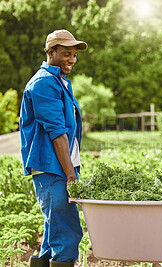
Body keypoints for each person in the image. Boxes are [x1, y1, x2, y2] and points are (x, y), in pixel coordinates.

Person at [20, 29, 87, 267]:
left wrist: (73, 169)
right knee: (67, 232)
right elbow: (57, 133)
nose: (72, 59)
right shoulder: (44, 84)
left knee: (54, 231)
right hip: (53, 168)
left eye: (74, 55)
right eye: (67, 54)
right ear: (51, 52)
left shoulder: (58, 82)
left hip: (61, 167)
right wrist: (71, 175)